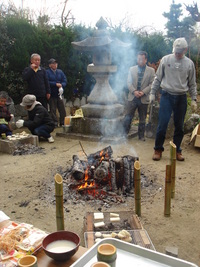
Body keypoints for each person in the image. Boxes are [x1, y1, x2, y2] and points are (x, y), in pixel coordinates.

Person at [150, 37, 197, 161]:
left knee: (179, 126)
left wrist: (193, 99)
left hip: (181, 97)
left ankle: (176, 150)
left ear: (185, 50)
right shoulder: (166, 60)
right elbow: (157, 78)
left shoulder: (189, 64)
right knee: (162, 124)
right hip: (166, 95)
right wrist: (152, 93)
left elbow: (192, 84)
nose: (177, 54)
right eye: (176, 51)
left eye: (179, 52)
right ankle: (158, 149)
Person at [123, 51, 155, 140]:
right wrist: (134, 91)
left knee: (142, 118)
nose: (140, 61)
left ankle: (141, 136)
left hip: (144, 97)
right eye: (138, 59)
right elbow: (128, 82)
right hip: (133, 97)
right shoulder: (132, 69)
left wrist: (143, 92)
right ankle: (124, 134)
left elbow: (152, 84)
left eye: (142, 59)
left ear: (146, 60)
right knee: (128, 116)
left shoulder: (151, 71)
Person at [46, 58, 67, 127]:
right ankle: (54, 123)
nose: (55, 65)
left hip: (59, 93)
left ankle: (63, 122)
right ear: (50, 65)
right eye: (53, 63)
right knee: (53, 109)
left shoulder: (60, 72)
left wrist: (62, 85)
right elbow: (47, 82)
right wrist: (55, 84)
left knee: (62, 109)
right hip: (52, 93)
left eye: (56, 63)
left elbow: (64, 80)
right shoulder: (47, 72)